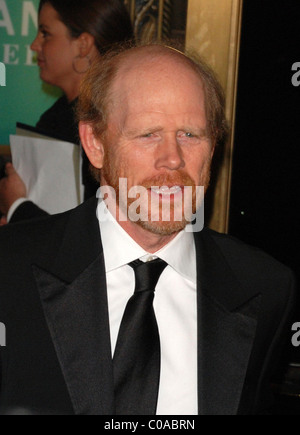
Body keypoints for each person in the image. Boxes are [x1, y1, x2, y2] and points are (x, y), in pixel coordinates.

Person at [0, 43, 296, 416]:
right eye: (147, 134)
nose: (172, 157)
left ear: (214, 144)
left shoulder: (264, 289)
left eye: (190, 134)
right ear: (95, 143)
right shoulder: (8, 272)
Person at [0, 0, 133, 225]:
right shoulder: (57, 116)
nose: (34, 45)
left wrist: (16, 208)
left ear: (83, 44)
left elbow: (99, 231)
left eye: (45, 33)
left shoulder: (114, 125)